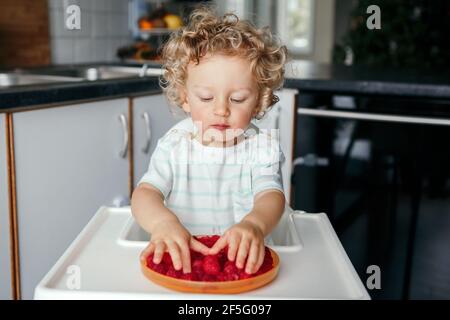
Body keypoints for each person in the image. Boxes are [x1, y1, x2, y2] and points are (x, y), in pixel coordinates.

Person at [131, 4, 288, 276]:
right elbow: (145, 195)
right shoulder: (174, 145)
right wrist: (162, 223)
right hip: (183, 263)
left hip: (242, 266)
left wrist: (255, 224)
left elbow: (271, 196)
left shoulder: (261, 148)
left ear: (259, 101)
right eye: (206, 97)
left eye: (238, 99)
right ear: (185, 98)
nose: (221, 110)